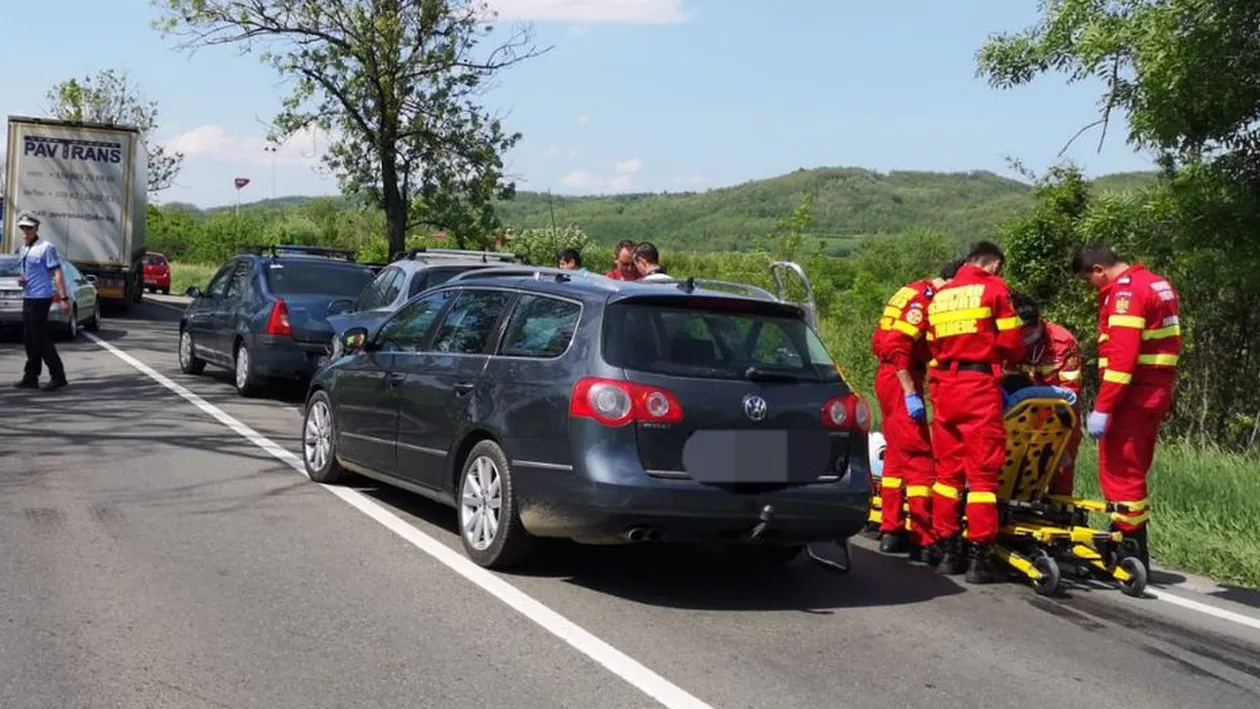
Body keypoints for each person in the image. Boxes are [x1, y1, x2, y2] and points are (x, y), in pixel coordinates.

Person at [1072, 245, 1181, 573]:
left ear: (1099, 270)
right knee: (1134, 470)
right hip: (1155, 390)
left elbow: (1122, 359)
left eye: (1088, 280)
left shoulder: (1125, 293)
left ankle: (1130, 554)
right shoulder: (1156, 283)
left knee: (1120, 473)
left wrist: (1103, 406)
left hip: (1131, 395)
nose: (1092, 287)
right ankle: (1125, 541)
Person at [924, 241, 1026, 583]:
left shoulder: (941, 295)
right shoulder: (994, 288)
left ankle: (948, 552)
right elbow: (1012, 343)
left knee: (946, 476)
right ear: (994, 264)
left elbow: (933, 345)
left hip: (945, 386)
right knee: (982, 477)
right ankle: (979, 560)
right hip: (978, 385)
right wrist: (995, 352)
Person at [870, 258, 962, 562]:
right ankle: (925, 538)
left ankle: (891, 530)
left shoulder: (913, 290)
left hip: (894, 375)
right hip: (901, 376)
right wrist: (911, 391)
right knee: (920, 455)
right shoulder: (924, 300)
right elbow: (898, 346)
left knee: (896, 457)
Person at [1007, 292, 1084, 497]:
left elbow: (1071, 388)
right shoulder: (1007, 341)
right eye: (1020, 333)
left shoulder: (1061, 341)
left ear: (1038, 324)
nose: (1025, 338)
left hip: (1058, 411)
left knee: (1062, 461)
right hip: (1018, 413)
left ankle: (1060, 506)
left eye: (1029, 333)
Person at [13, 211, 70, 391]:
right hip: (28, 296)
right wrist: (22, 280)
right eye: (23, 228)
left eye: (29, 228)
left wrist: (64, 298)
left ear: (36, 229)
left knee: (41, 337)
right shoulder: (24, 248)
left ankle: (58, 376)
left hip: (41, 298)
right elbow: (28, 272)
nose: (25, 231)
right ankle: (31, 376)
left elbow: (57, 272)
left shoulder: (46, 247)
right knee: (29, 338)